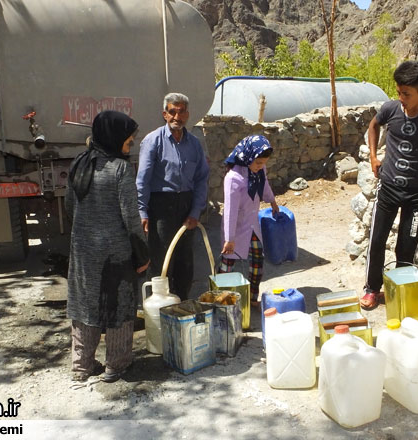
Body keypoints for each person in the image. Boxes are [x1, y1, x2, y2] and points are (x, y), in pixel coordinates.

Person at [66, 110, 149, 383]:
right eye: (129, 139)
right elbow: (130, 218)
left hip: (82, 253)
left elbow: (69, 206)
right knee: (119, 307)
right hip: (115, 255)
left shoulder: (79, 163)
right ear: (114, 137)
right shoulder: (121, 169)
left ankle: (82, 365)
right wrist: (142, 254)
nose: (132, 143)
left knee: (84, 306)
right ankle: (116, 365)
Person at [361, 60, 418, 310]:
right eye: (399, 92)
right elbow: (373, 125)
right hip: (388, 190)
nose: (401, 98)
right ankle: (371, 289)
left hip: (416, 197)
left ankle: (398, 293)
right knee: (376, 241)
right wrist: (373, 155)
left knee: (407, 247)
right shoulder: (390, 109)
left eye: (406, 94)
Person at [136, 93, 210, 301]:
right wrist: (142, 211)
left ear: (188, 114)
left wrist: (195, 212)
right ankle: (159, 310)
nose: (177, 116)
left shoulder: (194, 144)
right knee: (161, 262)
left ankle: (182, 306)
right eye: (172, 111)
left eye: (182, 111)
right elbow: (143, 180)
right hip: (161, 206)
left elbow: (201, 179)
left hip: (186, 204)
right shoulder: (152, 141)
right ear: (164, 114)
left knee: (185, 261)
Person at [219, 135, 279, 306]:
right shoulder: (233, 178)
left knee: (257, 261)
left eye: (263, 163)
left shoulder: (259, 171)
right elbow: (230, 210)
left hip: (252, 223)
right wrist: (229, 238)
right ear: (248, 157)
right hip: (236, 227)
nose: (261, 166)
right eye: (258, 163)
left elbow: (264, 185)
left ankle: (253, 298)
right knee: (228, 261)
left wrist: (272, 200)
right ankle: (219, 298)